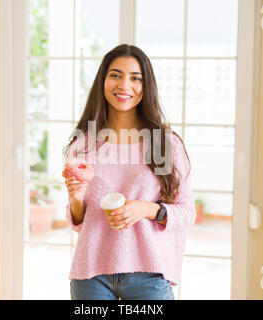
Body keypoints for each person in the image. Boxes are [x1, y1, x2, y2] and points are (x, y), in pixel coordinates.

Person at [62, 44, 196, 300]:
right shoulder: (83, 144)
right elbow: (79, 221)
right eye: (115, 75)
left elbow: (187, 212)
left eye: (136, 78)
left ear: (146, 87)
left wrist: (146, 209)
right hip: (91, 275)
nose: (124, 85)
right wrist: (77, 197)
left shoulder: (166, 142)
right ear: (102, 81)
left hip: (149, 275)